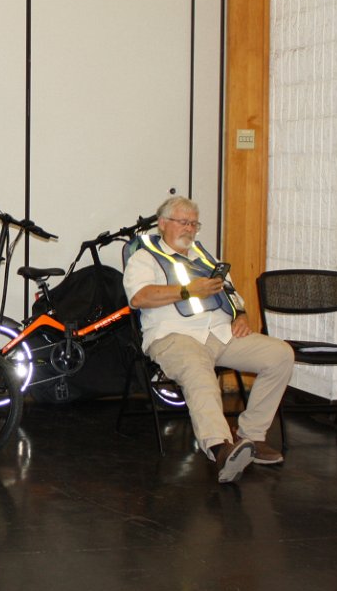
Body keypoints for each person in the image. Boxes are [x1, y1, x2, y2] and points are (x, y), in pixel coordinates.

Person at [123, 196, 294, 483]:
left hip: (220, 333)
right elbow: (139, 297)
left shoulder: (204, 257)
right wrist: (188, 290)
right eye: (183, 222)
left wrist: (241, 315)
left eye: (194, 224)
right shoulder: (144, 257)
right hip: (174, 336)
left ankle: (251, 436)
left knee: (280, 354)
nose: (189, 229)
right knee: (199, 372)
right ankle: (220, 448)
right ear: (163, 223)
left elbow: (232, 294)